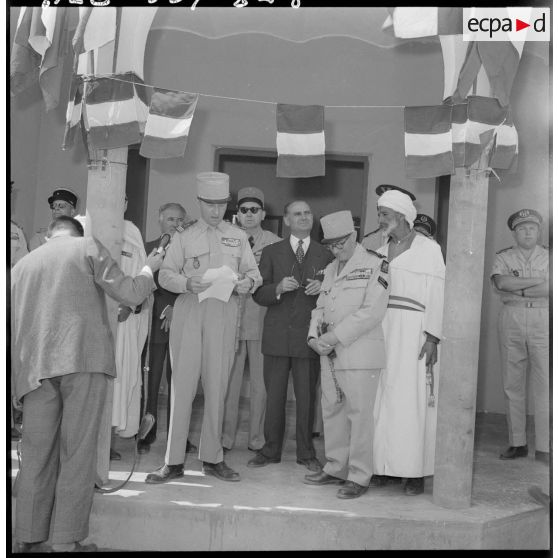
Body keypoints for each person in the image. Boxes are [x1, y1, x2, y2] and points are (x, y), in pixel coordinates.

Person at [11, 216, 162, 553]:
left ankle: (28, 536)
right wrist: (149, 268)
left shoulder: (20, 267)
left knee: (36, 455)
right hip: (82, 361)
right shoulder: (87, 246)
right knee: (77, 452)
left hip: (34, 370)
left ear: (49, 235)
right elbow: (130, 292)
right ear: (77, 234)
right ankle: (66, 541)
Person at [146, 172, 261, 484]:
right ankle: (172, 462)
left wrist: (245, 283)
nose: (215, 210)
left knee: (217, 386)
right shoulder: (184, 235)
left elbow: (254, 274)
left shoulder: (237, 237)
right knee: (181, 386)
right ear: (199, 203)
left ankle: (213, 458)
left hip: (223, 313)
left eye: (221, 204)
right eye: (209, 204)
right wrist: (187, 282)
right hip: (189, 309)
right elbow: (165, 275)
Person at [304, 210, 390, 499]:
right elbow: (319, 306)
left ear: (354, 236)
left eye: (340, 243)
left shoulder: (375, 264)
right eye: (330, 245)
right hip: (329, 353)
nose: (335, 249)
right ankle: (336, 466)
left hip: (359, 352)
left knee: (359, 416)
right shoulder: (331, 268)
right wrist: (313, 336)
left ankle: (359, 475)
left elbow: (371, 312)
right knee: (332, 411)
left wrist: (332, 337)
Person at [248, 200, 333, 473]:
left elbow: (337, 294)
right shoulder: (272, 252)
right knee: (274, 397)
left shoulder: (326, 254)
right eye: (297, 213)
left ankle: (306, 453)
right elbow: (258, 294)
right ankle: (270, 450)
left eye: (308, 213)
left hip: (308, 337)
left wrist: (324, 288)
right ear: (286, 220)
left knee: (307, 398)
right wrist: (277, 288)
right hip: (276, 336)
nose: (304, 217)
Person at [371, 189, 445, 496]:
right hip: (381, 328)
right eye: (379, 214)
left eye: (385, 215)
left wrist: (432, 335)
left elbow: (439, 293)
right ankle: (381, 467)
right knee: (381, 397)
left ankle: (413, 472)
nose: (381, 220)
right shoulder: (377, 250)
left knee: (411, 401)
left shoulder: (429, 249)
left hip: (415, 330)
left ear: (402, 216)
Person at [222, 187, 281, 452]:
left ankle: (257, 439)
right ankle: (225, 438)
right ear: (237, 213)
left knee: (261, 385)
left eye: (254, 210)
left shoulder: (275, 242)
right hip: (230, 319)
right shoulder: (226, 238)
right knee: (228, 384)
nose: (248, 214)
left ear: (263, 214)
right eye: (243, 209)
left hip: (261, 321)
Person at [138, 202, 197, 455]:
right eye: (170, 219)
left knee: (180, 384)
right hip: (153, 323)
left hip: (181, 321)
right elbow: (142, 281)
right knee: (150, 382)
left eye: (179, 219)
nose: (175, 223)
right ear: (159, 220)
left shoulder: (190, 250)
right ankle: (146, 433)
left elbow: (190, 283)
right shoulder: (149, 247)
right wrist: (162, 307)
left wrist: (176, 308)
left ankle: (178, 436)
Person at [491, 209, 549, 464]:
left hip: (543, 318)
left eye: (532, 228)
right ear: (514, 232)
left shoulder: (550, 256)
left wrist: (520, 286)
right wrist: (536, 283)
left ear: (539, 232)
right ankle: (517, 443)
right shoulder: (503, 256)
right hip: (511, 318)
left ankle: (546, 446)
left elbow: (552, 287)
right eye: (522, 228)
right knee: (512, 383)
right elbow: (501, 284)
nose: (528, 232)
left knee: (545, 383)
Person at [112, 196, 151, 441]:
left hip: (124, 319)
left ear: (126, 205)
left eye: (122, 201)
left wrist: (128, 304)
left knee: (121, 378)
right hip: (91, 321)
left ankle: (110, 435)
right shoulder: (82, 227)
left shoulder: (131, 232)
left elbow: (140, 276)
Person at [361, 185, 416, 251]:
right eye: (379, 215)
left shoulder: (424, 245)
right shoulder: (369, 241)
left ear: (401, 215)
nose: (379, 220)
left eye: (385, 214)